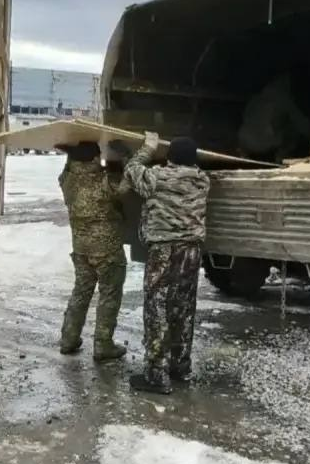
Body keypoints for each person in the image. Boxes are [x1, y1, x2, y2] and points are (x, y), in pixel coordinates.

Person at [124, 132, 210, 394]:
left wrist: (147, 149)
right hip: (191, 252)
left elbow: (132, 170)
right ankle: (180, 367)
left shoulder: (157, 177)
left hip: (164, 251)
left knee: (157, 310)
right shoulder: (203, 180)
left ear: (170, 157)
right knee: (183, 308)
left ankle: (155, 374)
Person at [57, 141, 129, 362]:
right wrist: (127, 158)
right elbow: (128, 185)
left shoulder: (68, 181)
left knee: (81, 292)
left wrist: (70, 156)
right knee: (109, 295)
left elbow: (66, 171)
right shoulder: (105, 180)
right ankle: (103, 344)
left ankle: (69, 339)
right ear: (96, 158)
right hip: (107, 250)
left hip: (81, 249)